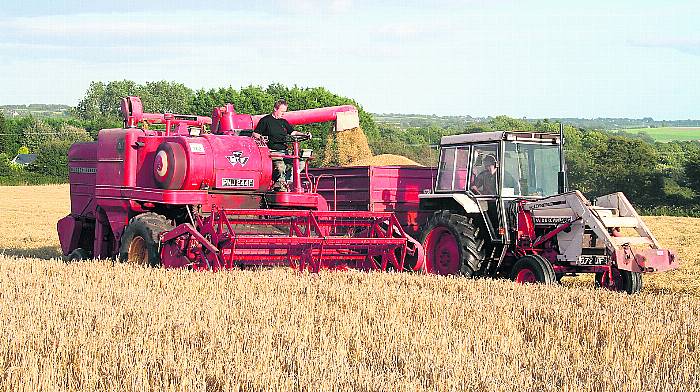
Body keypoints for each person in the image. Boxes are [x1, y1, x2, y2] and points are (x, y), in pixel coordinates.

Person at [252, 99, 310, 191]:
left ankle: (287, 182)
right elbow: (255, 133)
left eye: (285, 112)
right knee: (281, 166)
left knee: (300, 163)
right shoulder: (265, 120)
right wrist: (261, 137)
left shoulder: (283, 122)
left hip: (285, 152)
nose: (283, 114)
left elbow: (293, 132)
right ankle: (280, 185)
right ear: (275, 109)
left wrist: (304, 134)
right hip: (272, 152)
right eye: (282, 111)